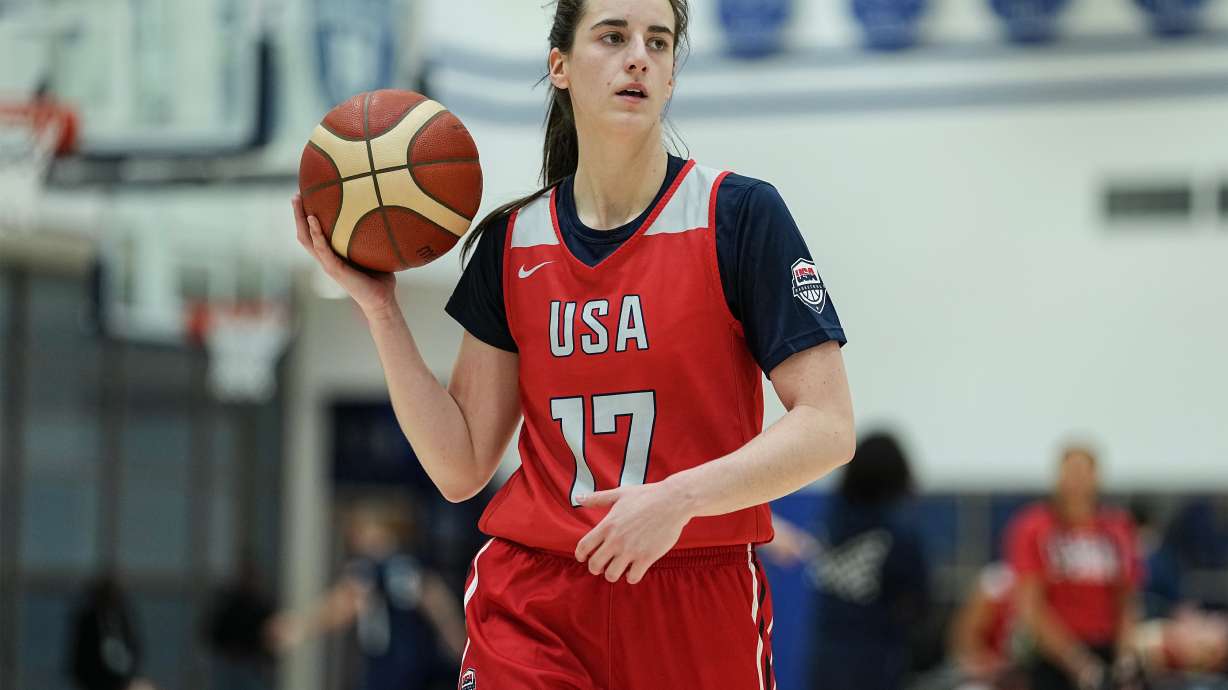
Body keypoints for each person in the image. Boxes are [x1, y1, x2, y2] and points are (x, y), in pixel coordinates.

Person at [291, 0, 855, 685]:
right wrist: (381, 312)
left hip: (695, 593)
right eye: (613, 36)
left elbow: (827, 426)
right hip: (539, 596)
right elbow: (462, 464)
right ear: (559, 65)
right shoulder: (512, 242)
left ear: (673, 74)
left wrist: (678, 498)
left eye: (658, 41)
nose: (638, 56)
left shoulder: (736, 216)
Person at [267, 499, 466, 690]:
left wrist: (301, 627)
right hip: (416, 661)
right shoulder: (408, 562)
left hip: (389, 664)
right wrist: (454, 635)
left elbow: (343, 603)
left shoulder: (372, 567)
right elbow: (435, 598)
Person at [1004, 445, 1142, 690]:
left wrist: (1126, 655)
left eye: (1084, 472)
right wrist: (1076, 662)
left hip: (1105, 647)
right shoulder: (1034, 528)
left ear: (1096, 477)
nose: (1077, 481)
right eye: (1071, 472)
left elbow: (1127, 599)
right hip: (1052, 657)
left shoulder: (1116, 528)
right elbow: (1030, 605)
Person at [806, 432, 930, 690]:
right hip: (876, 662)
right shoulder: (897, 536)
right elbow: (918, 604)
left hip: (824, 656)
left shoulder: (829, 523)